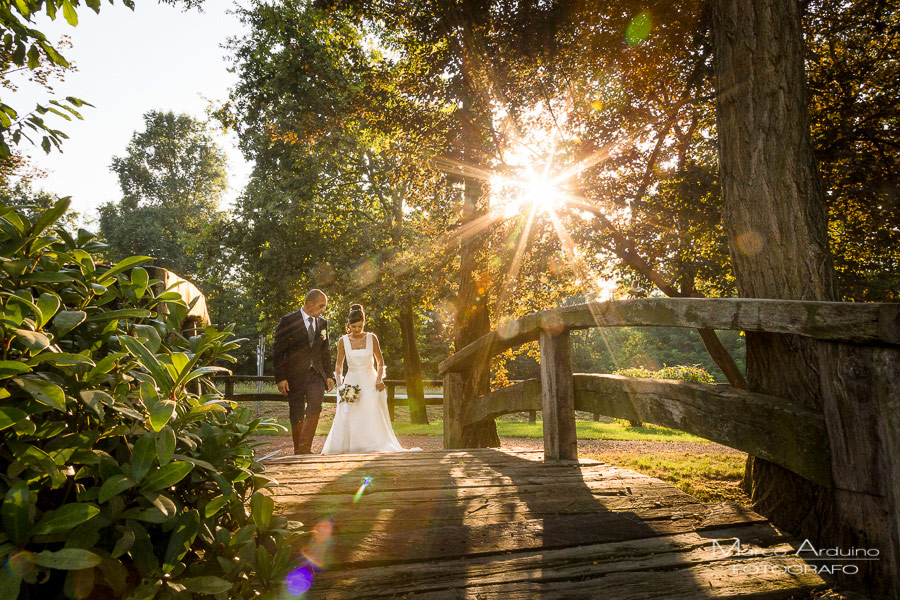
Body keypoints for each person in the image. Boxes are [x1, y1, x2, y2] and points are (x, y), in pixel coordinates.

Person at [321, 304, 418, 454]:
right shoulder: (343, 341)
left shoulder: (372, 338)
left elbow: (380, 362)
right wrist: (340, 384)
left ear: (364, 323)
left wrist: (379, 379)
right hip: (351, 379)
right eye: (353, 327)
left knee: (370, 411)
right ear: (349, 326)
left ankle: (372, 444)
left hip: (370, 380)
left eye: (360, 326)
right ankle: (352, 446)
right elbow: (339, 365)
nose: (357, 330)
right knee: (351, 413)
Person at [273, 289, 335, 454]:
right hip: (294, 375)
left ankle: (305, 447)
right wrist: (280, 378)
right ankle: (298, 448)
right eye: (321, 306)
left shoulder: (322, 323)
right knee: (297, 410)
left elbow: (325, 351)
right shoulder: (287, 321)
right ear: (310, 304)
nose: (323, 310)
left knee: (315, 406)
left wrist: (329, 375)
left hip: (316, 375)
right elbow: (278, 351)